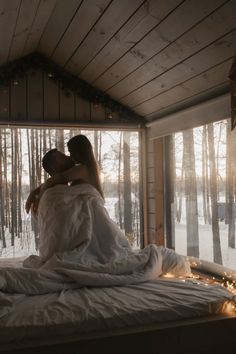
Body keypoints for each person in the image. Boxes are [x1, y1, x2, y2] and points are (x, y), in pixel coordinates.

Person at [25, 135, 104, 213]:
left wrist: (38, 197)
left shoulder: (82, 169)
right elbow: (55, 180)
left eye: (71, 152)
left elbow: (55, 180)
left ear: (79, 152)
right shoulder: (88, 168)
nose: (70, 156)